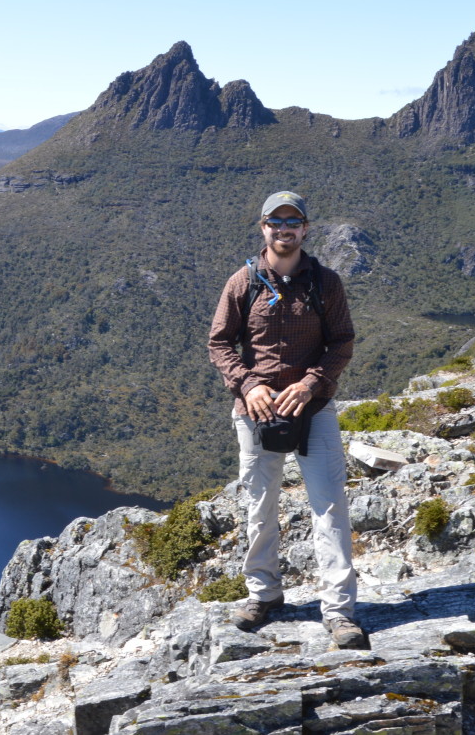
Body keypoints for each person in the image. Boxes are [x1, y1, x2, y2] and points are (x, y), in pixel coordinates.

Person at [206, 190, 368, 650]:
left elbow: (342, 342)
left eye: (292, 222)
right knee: (259, 506)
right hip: (256, 411)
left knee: (330, 506)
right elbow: (219, 344)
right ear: (263, 229)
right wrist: (250, 385)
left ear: (305, 229)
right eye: (275, 223)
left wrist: (310, 384)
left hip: (313, 409)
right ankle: (264, 595)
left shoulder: (325, 283)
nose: (283, 230)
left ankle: (339, 612)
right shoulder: (244, 282)